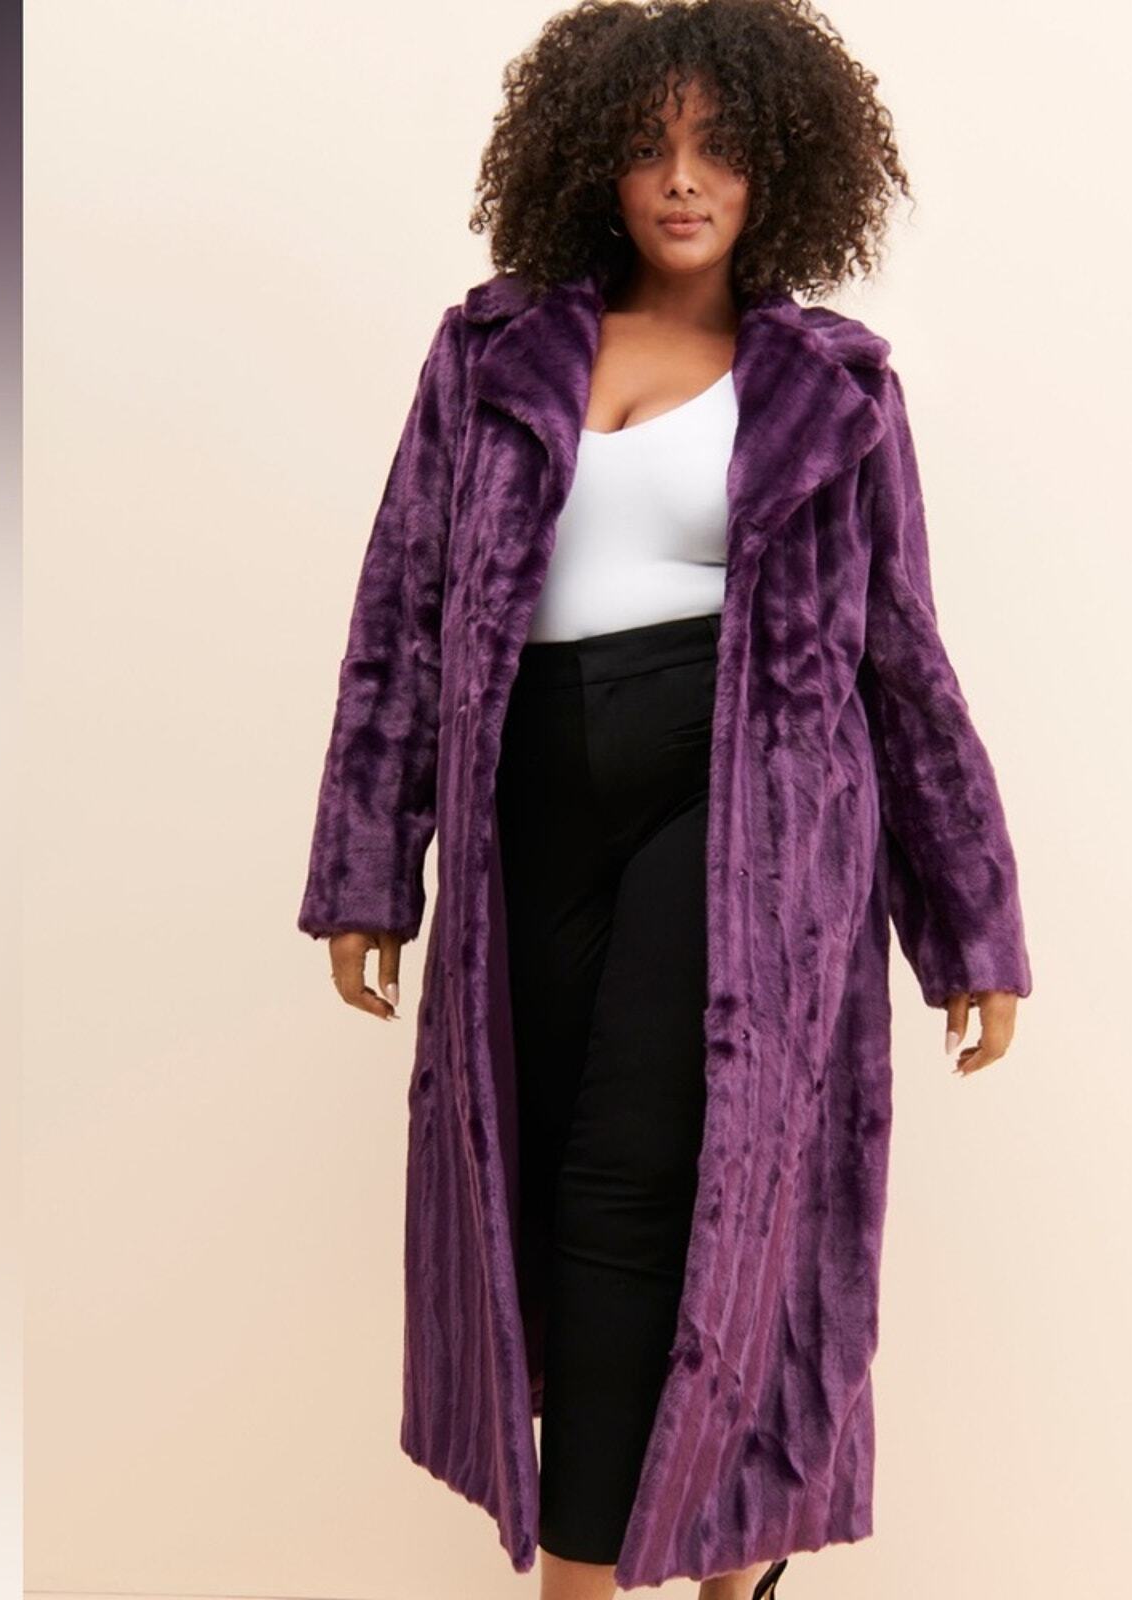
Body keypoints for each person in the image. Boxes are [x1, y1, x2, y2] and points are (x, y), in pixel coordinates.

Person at [299, 4, 1030, 1598]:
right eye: (648, 147)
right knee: (550, 1180)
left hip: (746, 815)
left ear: (781, 171)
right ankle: (731, 1554)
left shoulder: (834, 389)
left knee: (637, 1177)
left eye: (720, 148)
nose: (683, 180)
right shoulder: (488, 356)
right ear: (593, 166)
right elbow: (401, 614)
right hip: (527, 815)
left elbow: (901, 656)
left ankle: (579, 1585)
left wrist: (971, 922)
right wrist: (368, 866)